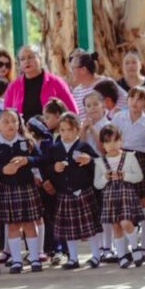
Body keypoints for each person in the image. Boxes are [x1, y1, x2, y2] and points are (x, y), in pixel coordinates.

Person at [0, 108, 45, 274]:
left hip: (26, 186)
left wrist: (27, 160)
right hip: (5, 189)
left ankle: (34, 258)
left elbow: (40, 159)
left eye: (14, 121)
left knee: (29, 223)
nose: (11, 124)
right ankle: (17, 260)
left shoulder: (26, 141)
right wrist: (2, 170)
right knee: (12, 226)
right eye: (6, 122)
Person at [43, 112, 102, 269]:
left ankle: (96, 255)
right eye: (62, 130)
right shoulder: (55, 149)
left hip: (83, 191)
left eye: (69, 130)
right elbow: (46, 167)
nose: (66, 134)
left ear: (77, 130)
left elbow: (98, 164)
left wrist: (89, 160)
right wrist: (54, 168)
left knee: (90, 227)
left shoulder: (83, 146)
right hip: (64, 193)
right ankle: (73, 258)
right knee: (69, 229)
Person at [111, 87, 145, 256]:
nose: (135, 102)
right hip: (121, 159)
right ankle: (124, 248)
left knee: (144, 203)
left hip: (141, 161)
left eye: (140, 99)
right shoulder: (118, 118)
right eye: (132, 98)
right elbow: (110, 141)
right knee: (122, 205)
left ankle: (144, 246)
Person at [94, 124, 145, 269]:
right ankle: (121, 256)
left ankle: (135, 247)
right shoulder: (100, 162)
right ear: (103, 144)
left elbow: (139, 176)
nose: (112, 145)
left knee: (126, 223)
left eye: (115, 141)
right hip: (110, 197)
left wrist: (125, 175)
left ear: (120, 141)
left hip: (126, 195)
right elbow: (97, 184)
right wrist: (105, 178)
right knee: (116, 226)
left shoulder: (129, 157)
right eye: (107, 142)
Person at [4, 44, 78, 122]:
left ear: (40, 58)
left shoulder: (56, 82)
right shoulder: (13, 87)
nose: (26, 61)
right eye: (22, 59)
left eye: (30, 57)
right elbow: (6, 115)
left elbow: (72, 112)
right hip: (23, 129)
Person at [70, 51, 127, 119]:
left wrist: (110, 116)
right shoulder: (76, 92)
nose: (71, 72)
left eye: (72, 69)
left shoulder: (105, 82)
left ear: (83, 69)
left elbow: (126, 100)